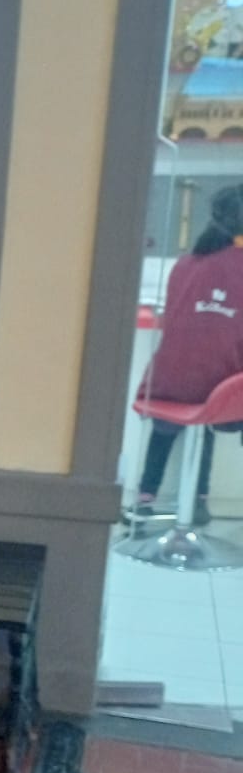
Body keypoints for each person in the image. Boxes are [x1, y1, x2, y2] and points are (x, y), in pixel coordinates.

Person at [126, 183, 243, 527]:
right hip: (219, 392)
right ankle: (198, 500)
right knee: (211, 399)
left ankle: (147, 497)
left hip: (163, 384)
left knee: (195, 408)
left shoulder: (187, 262)